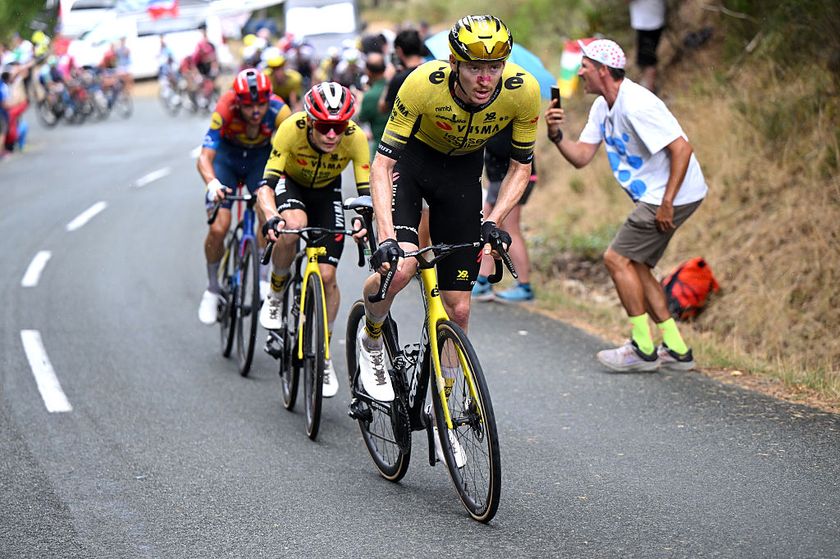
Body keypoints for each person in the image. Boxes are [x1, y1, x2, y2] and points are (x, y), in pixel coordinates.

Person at [357, 14, 541, 403]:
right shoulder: (422, 84)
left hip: (461, 179)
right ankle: (371, 335)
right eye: (475, 67)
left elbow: (520, 167)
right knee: (402, 268)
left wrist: (493, 219)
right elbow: (382, 165)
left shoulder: (523, 91)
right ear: (454, 63)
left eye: (494, 67)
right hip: (412, 168)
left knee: (458, 310)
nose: (485, 78)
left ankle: (446, 402)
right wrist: (387, 238)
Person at [544, 38, 707, 372]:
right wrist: (556, 134)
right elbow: (582, 157)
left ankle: (642, 348)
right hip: (662, 195)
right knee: (637, 265)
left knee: (616, 259)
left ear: (603, 70)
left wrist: (667, 203)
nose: (580, 72)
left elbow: (682, 149)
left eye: (585, 66)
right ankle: (676, 349)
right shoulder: (603, 106)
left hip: (670, 195)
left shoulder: (637, 104)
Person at [257, 82, 371, 397]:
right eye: (324, 126)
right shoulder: (290, 129)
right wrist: (270, 215)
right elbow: (265, 185)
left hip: (327, 193)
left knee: (327, 274)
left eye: (338, 126)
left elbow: (365, 195)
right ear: (309, 120)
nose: (332, 135)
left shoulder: (355, 138)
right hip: (290, 183)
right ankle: (277, 292)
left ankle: (323, 355)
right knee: (293, 225)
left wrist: (364, 220)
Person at [197, 69, 293, 325]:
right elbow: (205, 156)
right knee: (220, 226)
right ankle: (213, 288)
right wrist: (212, 183)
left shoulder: (279, 111)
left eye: (260, 104)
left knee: (266, 214)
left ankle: (262, 279)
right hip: (227, 161)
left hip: (259, 161)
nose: (255, 111)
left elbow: (293, 149)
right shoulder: (225, 107)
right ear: (238, 102)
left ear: (268, 99)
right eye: (249, 105)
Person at [472, 124, 538, 302]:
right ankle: (483, 280)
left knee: (510, 228)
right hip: (500, 178)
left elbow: (501, 146)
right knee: (488, 226)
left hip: (512, 178)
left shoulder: (506, 112)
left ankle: (524, 286)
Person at [378, 28, 427, 115]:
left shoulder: (399, 78)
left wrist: (389, 81)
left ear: (399, 50)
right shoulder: (432, 69)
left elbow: (383, 108)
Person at [356, 52, 389, 161]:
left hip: (381, 149)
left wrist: (360, 99)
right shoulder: (395, 85)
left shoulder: (369, 96)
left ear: (368, 72)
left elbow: (360, 118)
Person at [628, 0, 666, 92]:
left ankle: (649, 89)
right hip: (652, 18)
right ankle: (647, 85)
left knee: (648, 59)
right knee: (647, 56)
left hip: (647, 22)